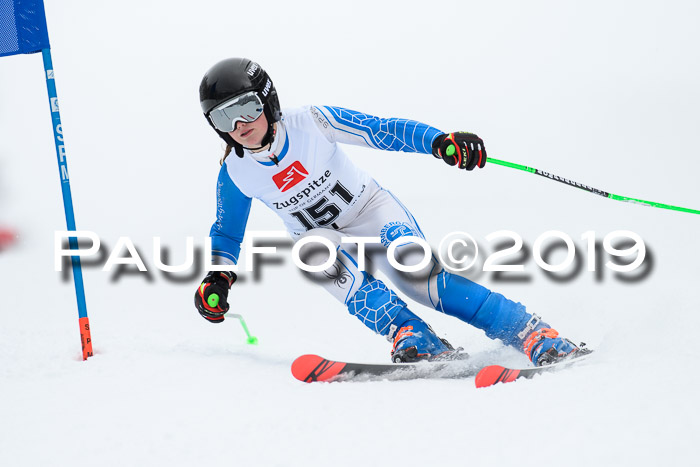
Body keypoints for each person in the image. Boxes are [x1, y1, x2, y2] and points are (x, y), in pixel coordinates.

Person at [194, 57, 584, 365]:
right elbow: (228, 231)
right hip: (322, 239)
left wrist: (439, 142)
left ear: (267, 100)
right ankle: (413, 335)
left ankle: (530, 332)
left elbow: (382, 130)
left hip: (371, 210)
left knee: (417, 274)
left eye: (246, 107)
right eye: (224, 117)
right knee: (314, 256)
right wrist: (218, 276)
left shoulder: (311, 122)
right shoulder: (236, 172)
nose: (240, 124)